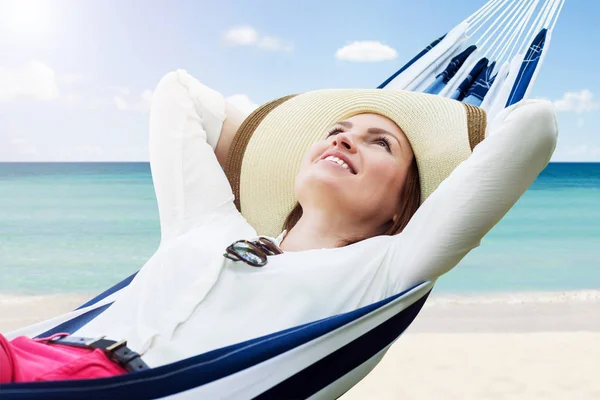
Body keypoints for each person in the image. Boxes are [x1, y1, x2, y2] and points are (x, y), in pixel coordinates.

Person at [0, 70, 558, 383]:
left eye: (378, 143)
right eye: (336, 131)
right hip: (30, 358)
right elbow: (178, 92)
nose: (343, 139)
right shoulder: (208, 221)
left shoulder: (386, 270)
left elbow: (534, 125)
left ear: (402, 208)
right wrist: (262, 146)